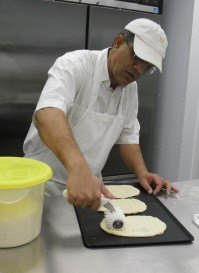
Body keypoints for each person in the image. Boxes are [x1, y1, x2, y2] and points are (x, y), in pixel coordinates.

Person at [23, 18, 179, 210]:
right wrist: (79, 170)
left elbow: (127, 137)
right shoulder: (74, 65)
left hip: (92, 192)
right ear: (118, 42)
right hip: (44, 189)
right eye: (137, 57)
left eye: (148, 66)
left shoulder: (130, 89)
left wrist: (142, 172)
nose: (139, 69)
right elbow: (47, 114)